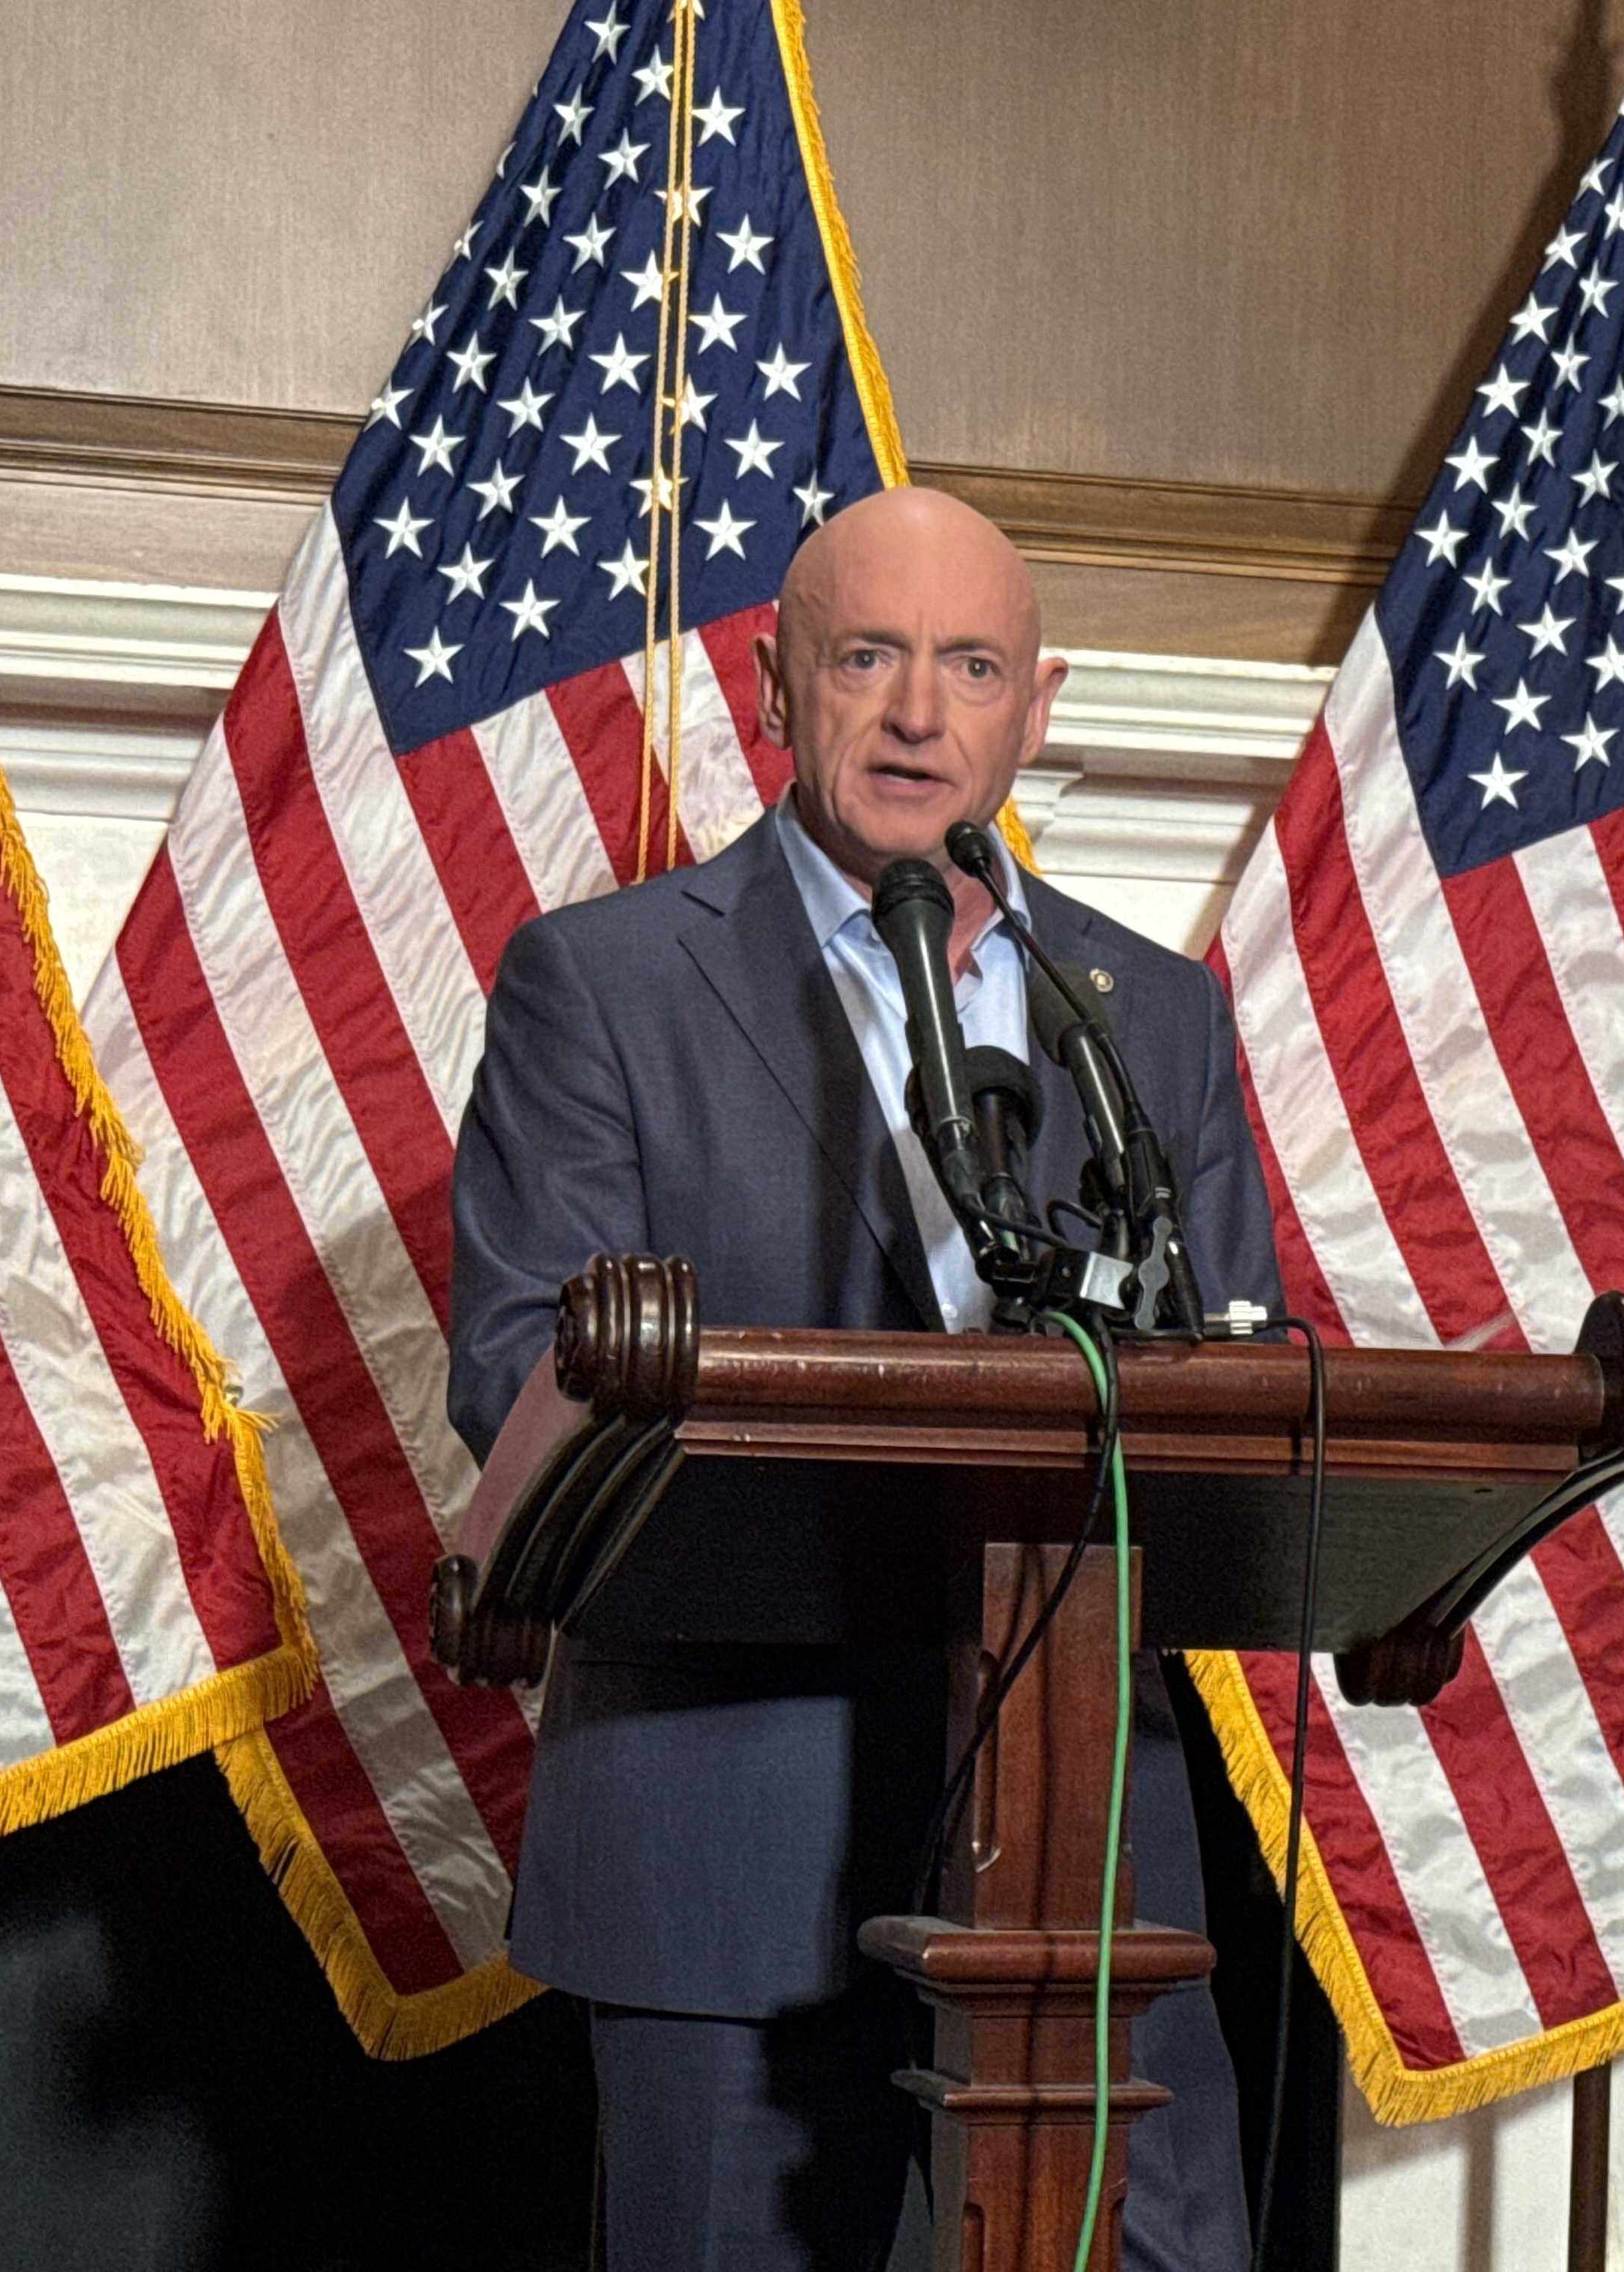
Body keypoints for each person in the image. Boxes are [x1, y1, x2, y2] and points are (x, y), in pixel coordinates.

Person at [446, 485, 1278, 2270]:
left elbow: (1234, 1393)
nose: (920, 712)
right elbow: (522, 1370)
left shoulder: (1156, 1016)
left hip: (1091, 1873)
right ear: (774, 684)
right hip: (721, 1853)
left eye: (971, 665)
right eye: (872, 657)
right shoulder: (601, 986)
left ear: (1034, 708)